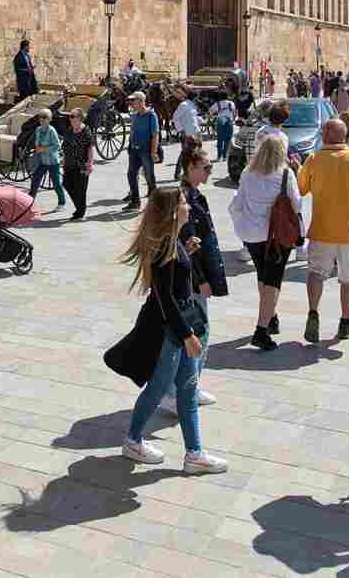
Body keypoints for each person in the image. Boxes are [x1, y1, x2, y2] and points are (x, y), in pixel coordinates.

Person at [113, 186, 227, 474]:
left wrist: (185, 253)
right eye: (184, 202)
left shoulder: (172, 243)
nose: (188, 205)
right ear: (174, 211)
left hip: (181, 328)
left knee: (187, 391)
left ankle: (194, 454)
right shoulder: (166, 246)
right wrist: (187, 336)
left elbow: (171, 282)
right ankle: (133, 440)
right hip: (172, 333)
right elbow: (164, 297)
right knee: (160, 388)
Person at [298, 119, 349, 344]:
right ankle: (345, 320)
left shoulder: (314, 159)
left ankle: (313, 312)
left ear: (325, 135)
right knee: (347, 279)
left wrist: (298, 168)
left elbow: (302, 189)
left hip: (322, 229)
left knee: (316, 274)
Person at [229, 133, 305, 351]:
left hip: (252, 235)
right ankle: (261, 330)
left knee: (263, 276)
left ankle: (270, 316)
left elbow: (238, 202)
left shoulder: (247, 173)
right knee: (273, 280)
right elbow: (297, 205)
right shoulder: (285, 174)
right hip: (276, 236)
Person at [172, 146, 226, 411]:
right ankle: (179, 391)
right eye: (206, 168)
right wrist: (200, 279)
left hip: (195, 277)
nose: (209, 172)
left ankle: (190, 386)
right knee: (197, 334)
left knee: (197, 333)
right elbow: (187, 244)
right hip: (190, 281)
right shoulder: (183, 199)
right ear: (191, 167)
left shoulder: (194, 195)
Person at [122, 91, 160, 212]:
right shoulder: (136, 115)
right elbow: (133, 131)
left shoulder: (151, 115)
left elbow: (155, 135)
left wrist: (153, 152)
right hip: (134, 150)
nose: (131, 103)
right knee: (131, 175)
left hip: (146, 150)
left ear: (141, 101)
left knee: (149, 176)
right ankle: (135, 201)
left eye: (133, 101)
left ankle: (155, 202)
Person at [27, 109, 66, 209]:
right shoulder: (38, 129)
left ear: (49, 119)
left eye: (45, 117)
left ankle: (62, 202)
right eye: (41, 117)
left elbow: (57, 146)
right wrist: (37, 148)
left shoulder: (52, 130)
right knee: (35, 179)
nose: (42, 119)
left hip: (53, 161)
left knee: (56, 182)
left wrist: (44, 148)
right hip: (42, 160)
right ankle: (29, 202)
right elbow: (36, 143)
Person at [62, 107, 95, 221]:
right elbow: (65, 147)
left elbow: (90, 148)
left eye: (73, 116)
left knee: (81, 189)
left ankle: (80, 211)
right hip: (69, 163)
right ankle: (80, 207)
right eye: (70, 117)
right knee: (66, 183)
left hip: (81, 164)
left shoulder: (86, 131)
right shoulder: (69, 130)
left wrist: (90, 164)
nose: (70, 119)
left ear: (80, 118)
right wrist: (64, 160)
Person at [171, 90, 201, 180]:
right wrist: (181, 130)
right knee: (184, 154)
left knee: (194, 154)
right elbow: (175, 118)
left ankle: (190, 173)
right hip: (187, 134)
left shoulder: (192, 105)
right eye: (197, 98)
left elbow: (193, 118)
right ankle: (178, 173)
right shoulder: (184, 105)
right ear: (195, 98)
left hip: (195, 133)